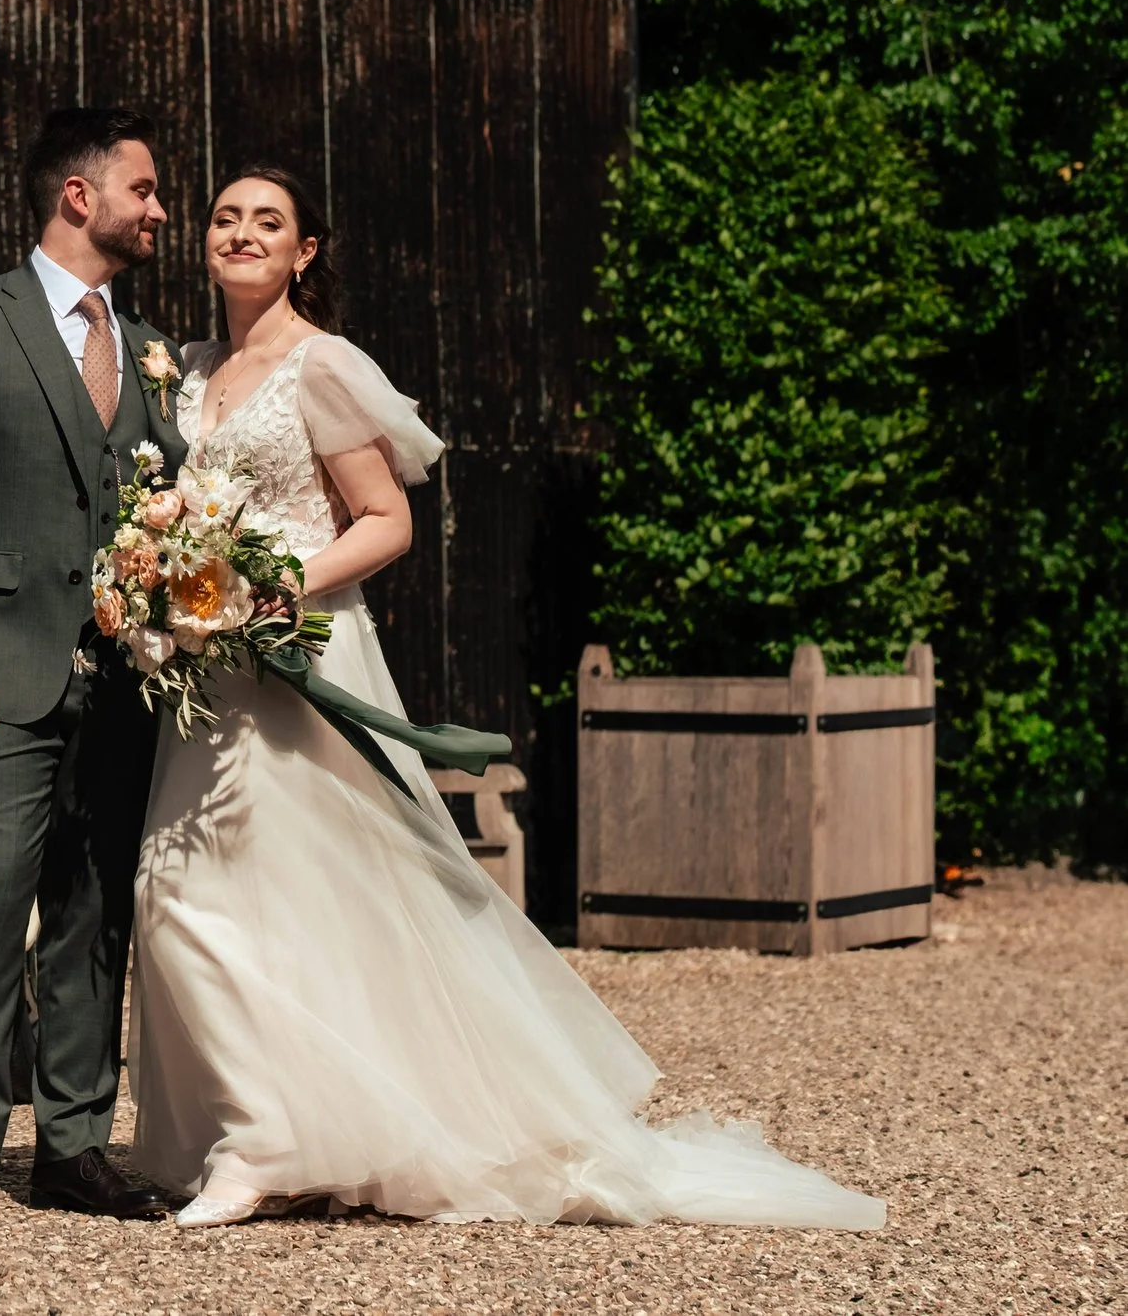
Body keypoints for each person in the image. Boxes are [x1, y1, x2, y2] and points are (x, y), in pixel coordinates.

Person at [128, 162, 888, 1230]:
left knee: (285, 892)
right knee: (190, 895)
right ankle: (277, 1123)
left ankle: (261, 1142)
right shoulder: (186, 368)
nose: (241, 234)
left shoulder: (322, 366)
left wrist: (277, 583)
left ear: (305, 253)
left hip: (299, 654)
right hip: (207, 673)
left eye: (269, 222)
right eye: (224, 217)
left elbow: (383, 517)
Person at [0, 107, 191, 1231]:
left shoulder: (148, 345)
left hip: (123, 677)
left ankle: (73, 1141)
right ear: (79, 194)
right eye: (145, 189)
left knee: (93, 907)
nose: (160, 210)